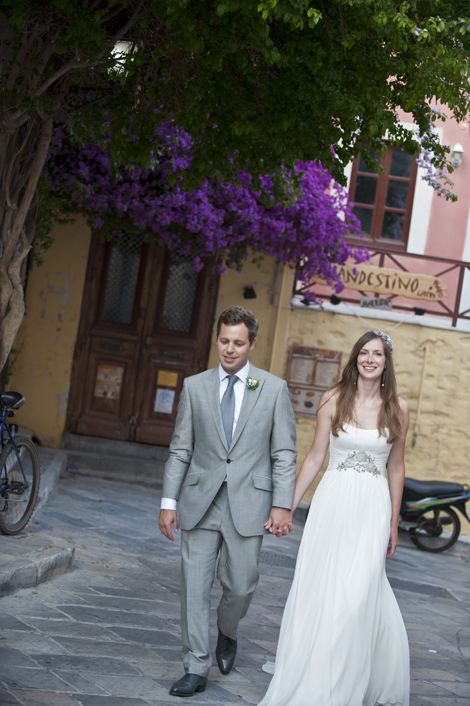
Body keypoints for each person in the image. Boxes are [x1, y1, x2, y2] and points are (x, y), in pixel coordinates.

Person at [259, 330, 410, 706]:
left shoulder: (399, 409)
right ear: (355, 358)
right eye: (364, 352)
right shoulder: (333, 398)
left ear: (387, 363)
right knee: (322, 586)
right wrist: (286, 505)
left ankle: (348, 677)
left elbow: (396, 468)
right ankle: (314, 668)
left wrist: (392, 522)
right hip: (332, 503)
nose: (370, 359)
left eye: (377, 354)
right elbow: (314, 457)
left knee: (358, 593)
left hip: (372, 508)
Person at [159, 305, 297, 698]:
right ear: (216, 340)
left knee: (240, 585)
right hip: (200, 500)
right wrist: (169, 502)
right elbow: (181, 449)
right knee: (194, 586)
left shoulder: (273, 389)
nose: (230, 350)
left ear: (252, 344)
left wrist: (282, 504)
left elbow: (284, 453)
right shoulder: (195, 386)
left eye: (238, 343)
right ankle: (195, 665)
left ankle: (228, 630)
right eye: (224, 341)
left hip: (250, 503)